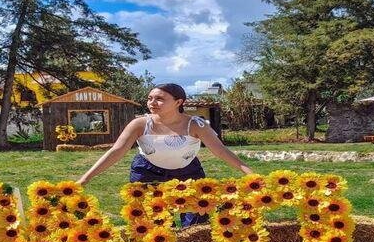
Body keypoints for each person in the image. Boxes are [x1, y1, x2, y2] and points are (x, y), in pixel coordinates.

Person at [76, 83, 254, 227]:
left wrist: (250, 174)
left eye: (159, 99)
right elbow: (116, 151)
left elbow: (221, 151)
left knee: (196, 222)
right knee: (154, 224)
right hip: (147, 173)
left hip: (188, 174)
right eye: (150, 98)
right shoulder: (140, 124)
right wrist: (85, 179)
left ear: (178, 102)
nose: (152, 103)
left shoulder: (196, 125)